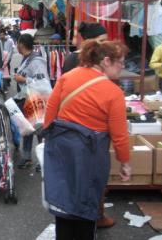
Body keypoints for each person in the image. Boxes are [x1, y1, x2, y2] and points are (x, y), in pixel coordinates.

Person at [43, 40, 131, 239]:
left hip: (61, 152)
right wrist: (125, 162)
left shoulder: (67, 77)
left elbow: (50, 113)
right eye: (121, 62)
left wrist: (50, 137)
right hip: (91, 156)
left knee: (63, 201)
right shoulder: (114, 92)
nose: (123, 67)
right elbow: (119, 134)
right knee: (86, 204)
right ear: (106, 61)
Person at [13, 34, 50, 169]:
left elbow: (43, 83)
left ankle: (43, 159)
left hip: (37, 100)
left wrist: (23, 80)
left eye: (17, 43)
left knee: (40, 130)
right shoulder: (26, 58)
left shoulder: (36, 60)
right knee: (27, 129)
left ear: (21, 44)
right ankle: (27, 157)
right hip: (27, 99)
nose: (16, 46)